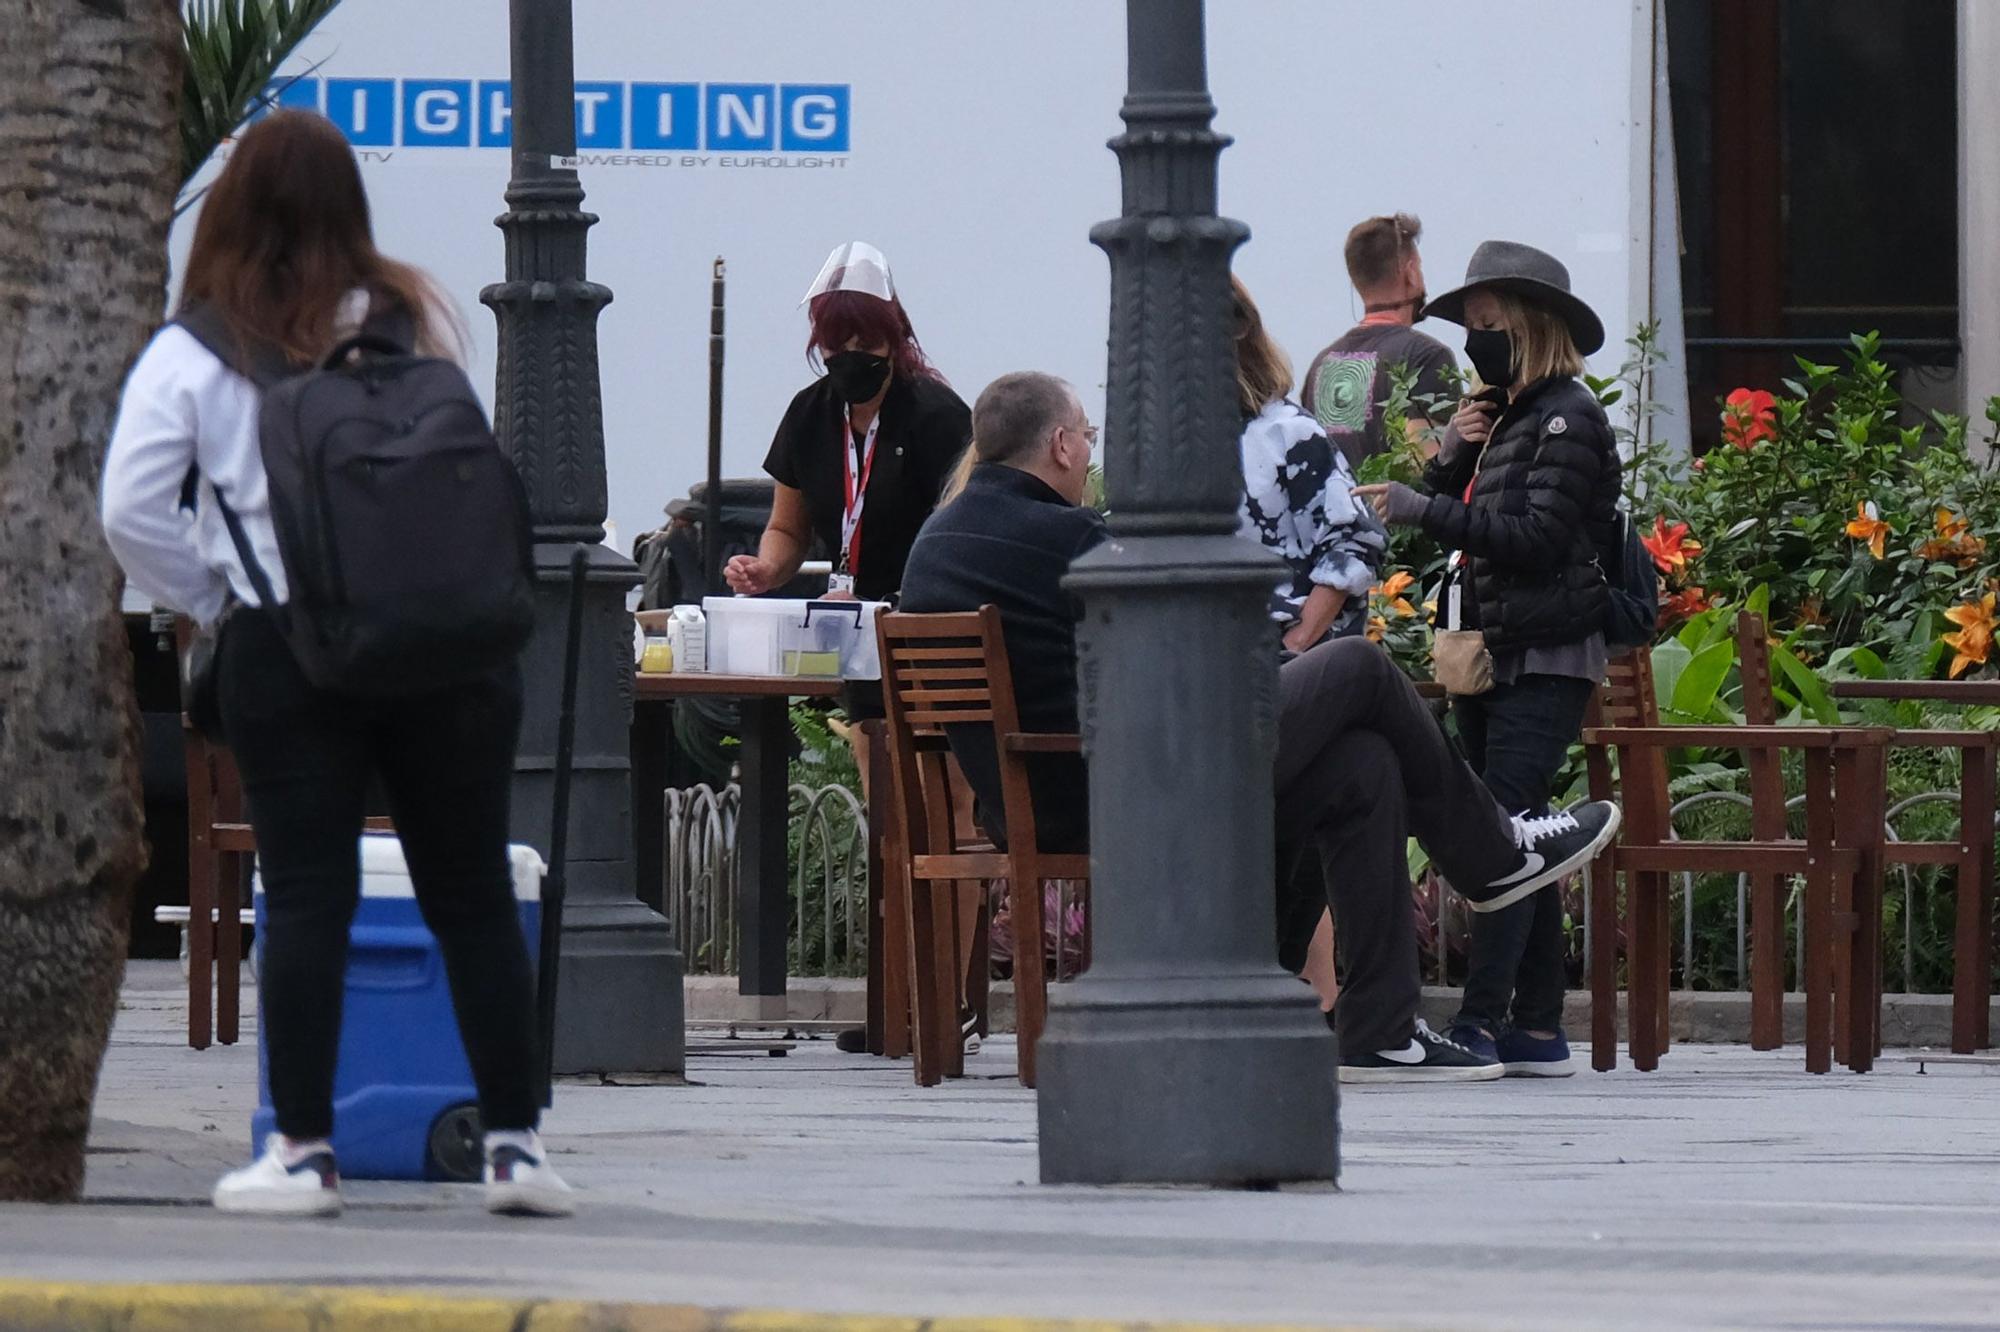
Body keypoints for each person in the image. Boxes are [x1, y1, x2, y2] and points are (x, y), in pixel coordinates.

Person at [99, 112, 570, 1217]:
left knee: (309, 893)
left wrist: (213, 593)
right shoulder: (403, 319)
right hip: (443, 647)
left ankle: (302, 1153)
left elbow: (129, 506)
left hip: (286, 644)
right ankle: (514, 1147)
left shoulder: (195, 351)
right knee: (467, 889)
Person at [900, 372, 1621, 1082]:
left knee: (1359, 765)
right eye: (1086, 436)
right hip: (1121, 792)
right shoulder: (1069, 538)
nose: (1091, 455)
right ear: (1059, 444)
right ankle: (1494, 856)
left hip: (1048, 792)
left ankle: (1380, 1029)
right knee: (1358, 670)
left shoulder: (935, 543)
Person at [1355, 240, 1623, 1078]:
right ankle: (1537, 1028)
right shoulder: (1506, 417)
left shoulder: (1568, 417)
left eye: (1488, 325)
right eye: (1471, 326)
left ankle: (1478, 1022)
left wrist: (1423, 508)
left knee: (1502, 835)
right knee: (1524, 832)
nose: (1477, 341)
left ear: (1531, 325)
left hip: (1543, 652)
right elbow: (1475, 517)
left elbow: (1539, 541)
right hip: (1491, 651)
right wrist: (1453, 457)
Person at [724, 240, 971, 613]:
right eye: (836, 346)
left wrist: (889, 605)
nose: (851, 357)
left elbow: (961, 539)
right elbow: (787, 528)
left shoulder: (938, 417)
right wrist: (767, 569)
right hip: (842, 613)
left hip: (922, 616)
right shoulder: (807, 414)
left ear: (895, 339)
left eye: (866, 344)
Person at [1232, 275, 1385, 654]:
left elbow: (1352, 542)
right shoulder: (1163, 454)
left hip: (1281, 666)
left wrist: (1296, 645)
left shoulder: (1288, 434)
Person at [1301, 213, 1460, 470]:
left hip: (1336, 511)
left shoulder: (1320, 367)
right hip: (1398, 512)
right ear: (1410, 274)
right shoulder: (1427, 357)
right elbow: (1429, 469)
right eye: (1418, 266)